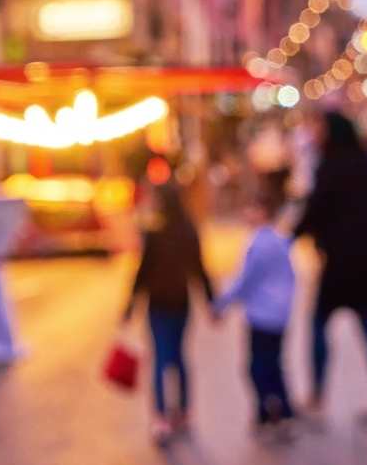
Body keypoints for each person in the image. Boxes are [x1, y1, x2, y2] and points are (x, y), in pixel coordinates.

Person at [294, 112, 367, 421]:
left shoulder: (331, 166)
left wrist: (288, 236)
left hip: (341, 263)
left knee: (319, 327)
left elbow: (316, 209)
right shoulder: (366, 163)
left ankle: (317, 395)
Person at [124, 181, 215, 444]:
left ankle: (161, 417)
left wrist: (130, 306)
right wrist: (211, 302)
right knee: (178, 357)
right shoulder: (189, 231)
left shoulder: (154, 233)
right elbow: (199, 269)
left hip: (158, 304)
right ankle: (184, 411)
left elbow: (142, 272)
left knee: (162, 358)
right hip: (181, 303)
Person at [213, 171, 297, 437]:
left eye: (251, 209)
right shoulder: (279, 240)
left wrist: (221, 304)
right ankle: (275, 412)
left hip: (263, 315)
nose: (246, 214)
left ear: (262, 211)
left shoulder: (260, 243)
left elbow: (245, 281)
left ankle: (274, 411)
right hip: (278, 314)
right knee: (272, 364)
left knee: (258, 367)